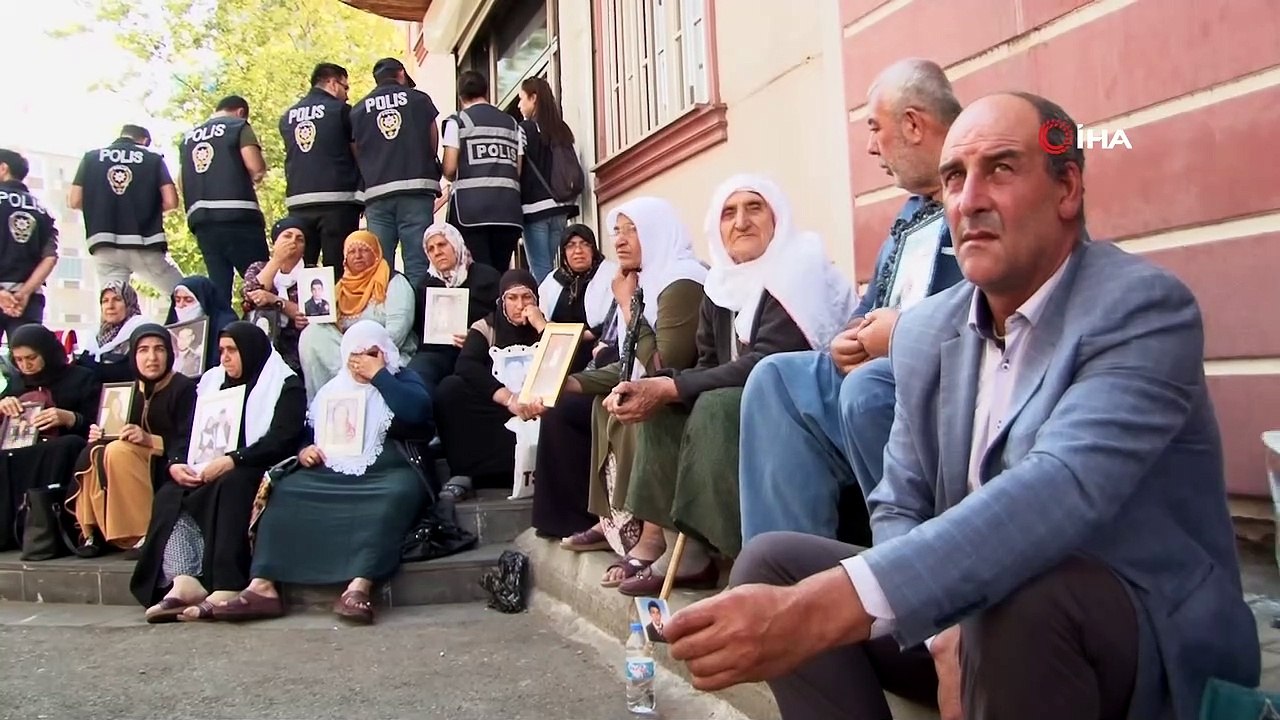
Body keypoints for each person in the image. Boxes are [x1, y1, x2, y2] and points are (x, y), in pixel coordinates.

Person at [665, 92, 1262, 720]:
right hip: (976, 621)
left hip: (1141, 642)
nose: (968, 199)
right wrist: (941, 634)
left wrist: (821, 610)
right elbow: (899, 500)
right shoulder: (929, 331)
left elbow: (1059, 490)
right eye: (953, 177)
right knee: (773, 564)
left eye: (1000, 169)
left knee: (1014, 594)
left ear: (1068, 190)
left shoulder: (1141, 310)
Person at [739, 59, 966, 547]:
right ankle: (786, 578)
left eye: (874, 128)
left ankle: (907, 573)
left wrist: (902, 334)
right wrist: (851, 336)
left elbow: (997, 304)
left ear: (912, 124)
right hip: (883, 361)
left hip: (946, 370)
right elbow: (873, 301)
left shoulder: (977, 194)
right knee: (775, 378)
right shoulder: (911, 213)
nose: (869, 146)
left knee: (866, 388)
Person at [603, 175, 855, 595]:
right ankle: (691, 554)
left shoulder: (798, 267)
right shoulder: (721, 283)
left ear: (776, 218)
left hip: (805, 413)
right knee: (664, 405)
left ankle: (749, 560)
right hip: (746, 400)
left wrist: (672, 387)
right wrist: (656, 388)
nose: (741, 222)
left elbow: (770, 362)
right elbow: (707, 364)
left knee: (715, 405)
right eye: (728, 212)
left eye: (754, 208)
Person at [203, 321, 434, 624]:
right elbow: (308, 432)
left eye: (371, 353)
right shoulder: (334, 389)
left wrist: (378, 376)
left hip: (387, 470)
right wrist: (304, 450)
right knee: (284, 493)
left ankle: (358, 587)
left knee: (394, 496)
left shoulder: (402, 379)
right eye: (356, 354)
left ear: (385, 353)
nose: (361, 361)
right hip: (332, 468)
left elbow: (418, 413)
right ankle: (263, 586)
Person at [524, 198, 705, 583]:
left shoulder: (681, 282)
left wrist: (626, 305)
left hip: (687, 394)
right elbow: (625, 365)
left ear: (657, 231)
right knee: (585, 403)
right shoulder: (647, 279)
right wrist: (564, 383)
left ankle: (652, 536)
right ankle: (615, 525)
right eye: (617, 231)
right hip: (663, 385)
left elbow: (660, 368)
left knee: (628, 406)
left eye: (631, 230)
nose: (620, 241)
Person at [130, 321, 306, 623]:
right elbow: (187, 433)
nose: (224, 358)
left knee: (233, 483)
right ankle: (185, 578)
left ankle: (227, 582)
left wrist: (234, 459)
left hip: (254, 465)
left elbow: (282, 438)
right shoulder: (212, 383)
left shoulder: (283, 384)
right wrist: (176, 462)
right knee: (171, 492)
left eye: (232, 351)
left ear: (250, 351)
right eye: (221, 350)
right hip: (208, 464)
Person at [71, 324, 198, 557]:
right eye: (143, 350)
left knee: (118, 450)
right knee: (95, 450)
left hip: (167, 464)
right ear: (133, 355)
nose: (152, 357)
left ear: (169, 354)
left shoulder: (184, 388)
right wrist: (100, 434)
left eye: (159, 349)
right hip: (127, 465)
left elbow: (189, 438)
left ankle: (141, 532)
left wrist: (150, 440)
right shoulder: (125, 390)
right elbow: (112, 429)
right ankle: (94, 531)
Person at [433, 270, 544, 499]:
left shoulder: (545, 327)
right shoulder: (486, 327)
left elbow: (564, 360)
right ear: (501, 301)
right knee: (450, 389)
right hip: (502, 404)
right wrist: (508, 398)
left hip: (538, 405)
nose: (520, 305)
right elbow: (466, 365)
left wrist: (541, 326)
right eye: (512, 298)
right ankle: (465, 473)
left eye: (527, 297)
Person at [0, 325, 101, 550]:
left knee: (67, 445)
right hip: (23, 451)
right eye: (18, 360)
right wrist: (2, 406)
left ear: (46, 352)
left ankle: (51, 525)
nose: (25, 366)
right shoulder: (17, 384)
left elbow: (99, 422)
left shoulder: (81, 378)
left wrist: (70, 418)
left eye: (31, 358)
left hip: (64, 449)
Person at [350, 58, 442, 289]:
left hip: (377, 194)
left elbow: (355, 150)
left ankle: (387, 318)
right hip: (416, 189)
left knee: (380, 265)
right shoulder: (419, 99)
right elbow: (433, 140)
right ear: (401, 73)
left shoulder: (359, 109)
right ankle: (419, 320)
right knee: (418, 262)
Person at [297, 230, 417, 399]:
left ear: (376, 253)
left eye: (364, 250)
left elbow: (397, 330)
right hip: (345, 357)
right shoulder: (338, 289)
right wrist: (307, 318)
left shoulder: (394, 282)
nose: (358, 256)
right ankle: (320, 405)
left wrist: (365, 355)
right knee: (311, 333)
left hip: (381, 354)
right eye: (352, 252)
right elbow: (327, 327)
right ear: (345, 259)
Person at [69, 124, 184, 294]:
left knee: (113, 304)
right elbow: (171, 201)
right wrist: (146, 210)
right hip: (144, 241)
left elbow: (75, 200)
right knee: (186, 295)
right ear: (144, 141)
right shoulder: (152, 158)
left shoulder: (91, 158)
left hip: (104, 244)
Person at [179, 95, 269, 306]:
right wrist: (257, 176)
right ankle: (262, 333)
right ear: (240, 111)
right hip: (239, 216)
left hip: (201, 220)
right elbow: (255, 166)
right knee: (259, 282)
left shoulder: (188, 138)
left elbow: (181, 182)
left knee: (219, 289)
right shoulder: (237, 126)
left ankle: (220, 334)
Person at [279, 63, 363, 273]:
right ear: (333, 83)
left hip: (298, 202)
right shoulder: (341, 111)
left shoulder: (287, 117)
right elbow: (358, 152)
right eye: (346, 88)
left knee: (304, 270)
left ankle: (305, 306)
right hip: (337, 201)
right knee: (337, 268)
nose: (346, 95)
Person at [442, 70, 524, 272]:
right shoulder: (513, 125)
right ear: (486, 91)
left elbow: (450, 168)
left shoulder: (457, 122)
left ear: (460, 96)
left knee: (478, 273)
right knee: (501, 271)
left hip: (471, 214)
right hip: (508, 212)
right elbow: (518, 170)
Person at [409, 221, 501, 399]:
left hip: (479, 351)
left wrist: (476, 336)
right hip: (438, 353)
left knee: (455, 386)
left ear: (456, 243)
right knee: (416, 376)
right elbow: (420, 329)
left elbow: (501, 318)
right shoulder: (425, 284)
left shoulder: (487, 277)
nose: (437, 252)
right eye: (431, 249)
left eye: (442, 244)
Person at [517, 77, 579, 283]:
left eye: (522, 99)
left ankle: (544, 312)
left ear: (533, 98)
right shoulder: (560, 128)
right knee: (553, 267)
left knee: (540, 270)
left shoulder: (524, 129)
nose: (519, 105)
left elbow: (518, 166)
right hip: (560, 206)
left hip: (535, 209)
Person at [536, 224, 619, 372]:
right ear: (563, 252)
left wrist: (584, 335)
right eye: (571, 246)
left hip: (597, 355)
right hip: (557, 354)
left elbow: (615, 319)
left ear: (593, 249)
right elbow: (541, 317)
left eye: (585, 244)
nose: (578, 251)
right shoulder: (553, 280)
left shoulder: (611, 274)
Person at [0, 148, 59, 343]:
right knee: (28, 363)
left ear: (3, 168)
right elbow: (50, 257)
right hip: (28, 300)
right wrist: (23, 293)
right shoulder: (43, 210)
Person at [241, 217, 311, 373]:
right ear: (275, 241)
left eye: (300, 239)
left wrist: (274, 300)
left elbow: (311, 313)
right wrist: (278, 259)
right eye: (287, 236)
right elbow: (250, 294)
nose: (293, 241)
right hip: (262, 340)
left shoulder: (312, 273)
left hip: (297, 345)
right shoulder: (258, 267)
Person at [165, 275, 239, 374]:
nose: (181, 305)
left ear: (204, 300)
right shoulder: (171, 329)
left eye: (188, 300)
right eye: (177, 300)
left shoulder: (225, 325)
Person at [77, 281, 149, 383]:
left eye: (117, 299)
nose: (110, 306)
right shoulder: (95, 335)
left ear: (129, 303)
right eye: (105, 301)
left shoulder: (140, 334)